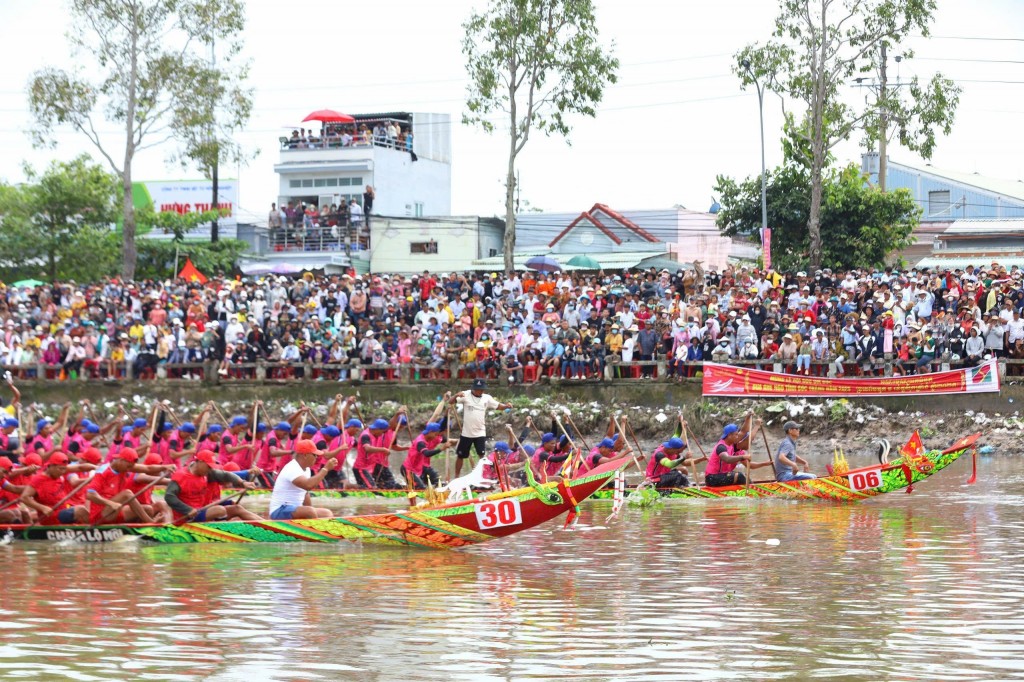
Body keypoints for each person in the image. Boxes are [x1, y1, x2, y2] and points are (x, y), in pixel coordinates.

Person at [164, 450, 260, 522]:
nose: (210, 469)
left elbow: (226, 475)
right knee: (220, 510)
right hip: (187, 516)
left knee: (236, 508)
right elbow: (169, 496)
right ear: (200, 462)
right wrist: (187, 510)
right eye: (208, 466)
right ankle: (221, 528)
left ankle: (269, 525)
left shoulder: (207, 473)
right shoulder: (180, 476)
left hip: (201, 511)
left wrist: (243, 483)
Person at [448, 380, 512, 477]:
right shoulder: (465, 394)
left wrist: (506, 406)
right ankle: (456, 476)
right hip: (466, 433)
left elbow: (499, 406)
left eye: (482, 389)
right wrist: (456, 395)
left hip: (480, 432)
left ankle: (485, 476)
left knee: (482, 456)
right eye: (478, 389)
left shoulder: (487, 398)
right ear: (473, 389)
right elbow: (450, 402)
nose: (481, 391)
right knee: (461, 456)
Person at [268, 439, 336, 520]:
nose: (317, 458)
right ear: (305, 455)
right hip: (279, 510)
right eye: (314, 455)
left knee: (327, 513)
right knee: (310, 512)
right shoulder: (292, 468)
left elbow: (305, 493)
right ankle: (312, 531)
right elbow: (308, 485)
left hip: (295, 510)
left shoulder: (306, 469)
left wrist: (312, 511)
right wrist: (325, 469)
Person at [704, 420, 772, 487]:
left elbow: (750, 465)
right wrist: (742, 457)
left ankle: (751, 490)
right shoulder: (721, 447)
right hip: (712, 478)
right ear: (730, 435)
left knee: (746, 478)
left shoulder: (737, 451)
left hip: (722, 476)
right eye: (736, 435)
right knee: (739, 476)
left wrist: (765, 463)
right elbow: (727, 459)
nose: (737, 437)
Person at [402, 421, 455, 488]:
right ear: (430, 432)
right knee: (421, 489)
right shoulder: (420, 442)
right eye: (435, 434)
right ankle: (399, 488)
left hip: (420, 468)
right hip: (408, 469)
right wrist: (442, 449)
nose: (436, 437)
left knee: (438, 483)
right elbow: (426, 454)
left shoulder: (428, 438)